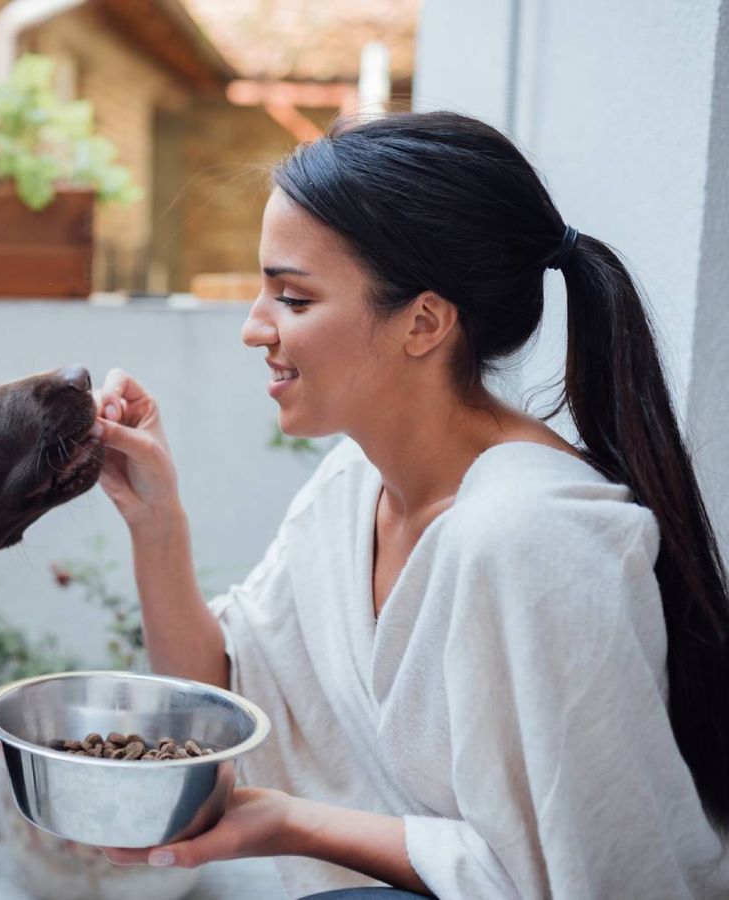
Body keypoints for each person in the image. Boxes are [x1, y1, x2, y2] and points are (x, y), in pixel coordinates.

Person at [87, 111, 729, 899]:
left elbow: (593, 874)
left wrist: (297, 822)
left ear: (423, 321)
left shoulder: (533, 540)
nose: (256, 328)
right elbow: (220, 702)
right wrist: (155, 517)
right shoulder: (352, 488)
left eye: (291, 297)